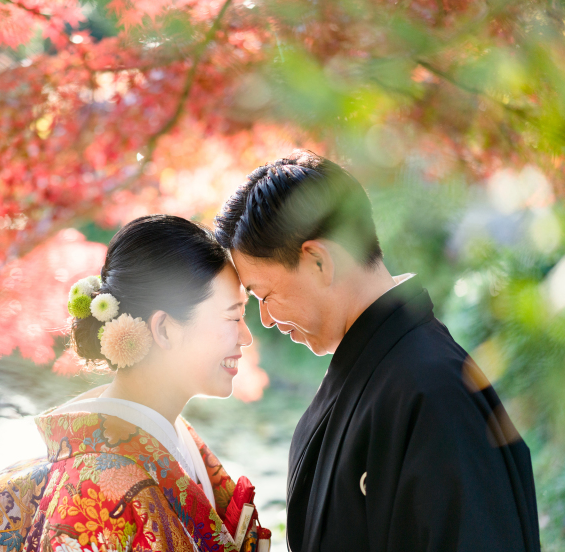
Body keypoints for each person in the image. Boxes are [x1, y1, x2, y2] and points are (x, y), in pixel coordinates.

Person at [214, 150, 540, 552]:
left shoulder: (435, 389)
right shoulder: (385, 370)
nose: (264, 319)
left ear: (319, 261)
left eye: (265, 295)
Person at [0, 215, 269, 552]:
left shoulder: (177, 439)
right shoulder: (97, 489)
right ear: (164, 329)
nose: (246, 337)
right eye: (233, 317)